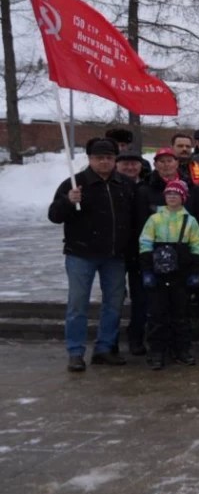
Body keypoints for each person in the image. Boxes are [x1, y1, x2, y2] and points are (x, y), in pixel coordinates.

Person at [48, 137, 139, 372]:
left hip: (114, 256)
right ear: (90, 159)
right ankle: (75, 352)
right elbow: (54, 215)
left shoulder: (125, 184)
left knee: (114, 303)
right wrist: (68, 201)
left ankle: (104, 348)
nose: (105, 162)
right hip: (81, 254)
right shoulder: (75, 183)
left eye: (109, 157)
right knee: (78, 304)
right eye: (100, 158)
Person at [134, 148, 199, 355]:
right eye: (161, 161)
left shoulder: (189, 220)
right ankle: (158, 352)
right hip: (157, 271)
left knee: (181, 314)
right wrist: (146, 269)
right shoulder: (154, 218)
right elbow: (145, 242)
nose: (172, 198)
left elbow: (197, 245)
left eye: (176, 195)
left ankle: (182, 350)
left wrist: (195, 270)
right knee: (157, 314)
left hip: (181, 272)